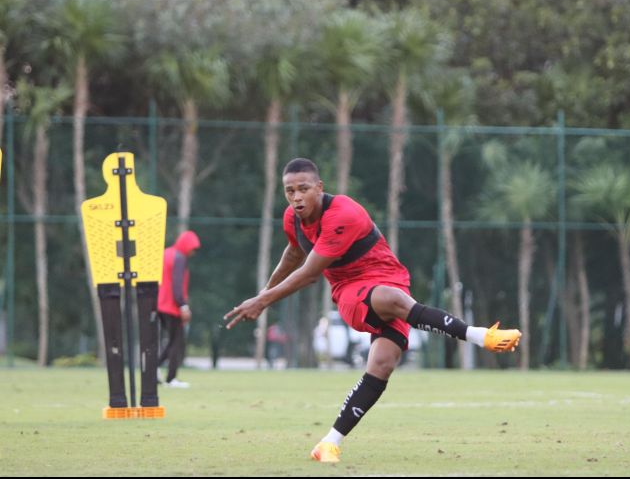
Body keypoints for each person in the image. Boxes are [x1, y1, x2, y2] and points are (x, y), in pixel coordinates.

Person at [224, 158, 521, 463]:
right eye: (289, 191)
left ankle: (328, 443)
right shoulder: (292, 218)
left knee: (382, 365)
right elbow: (295, 254)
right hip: (350, 289)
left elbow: (309, 271)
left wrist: (263, 300)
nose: (296, 197)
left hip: (391, 280)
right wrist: (263, 295)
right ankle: (480, 335)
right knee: (394, 301)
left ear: (319, 187)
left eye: (303, 189)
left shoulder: (342, 213)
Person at [157, 230, 201, 388]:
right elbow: (177, 285)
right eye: (193, 249)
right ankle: (171, 378)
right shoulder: (179, 258)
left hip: (159, 304)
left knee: (170, 341)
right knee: (177, 342)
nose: (193, 253)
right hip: (172, 306)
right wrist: (183, 305)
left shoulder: (165, 253)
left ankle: (153, 369)